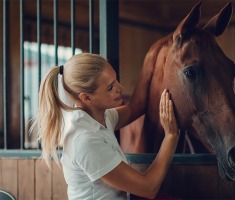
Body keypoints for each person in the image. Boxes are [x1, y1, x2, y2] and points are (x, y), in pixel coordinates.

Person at [31, 53, 179, 199]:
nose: (120, 88)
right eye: (110, 87)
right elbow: (148, 189)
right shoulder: (85, 140)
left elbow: (134, 107)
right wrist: (171, 137)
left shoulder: (100, 116)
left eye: (116, 80)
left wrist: (151, 59)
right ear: (86, 97)